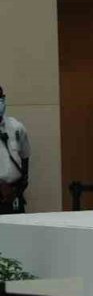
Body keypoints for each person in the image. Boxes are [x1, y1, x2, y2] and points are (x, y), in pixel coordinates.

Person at [0, 84, 32, 215]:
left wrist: (17, 189)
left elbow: (25, 157)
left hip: (13, 196)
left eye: (0, 97)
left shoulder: (16, 127)